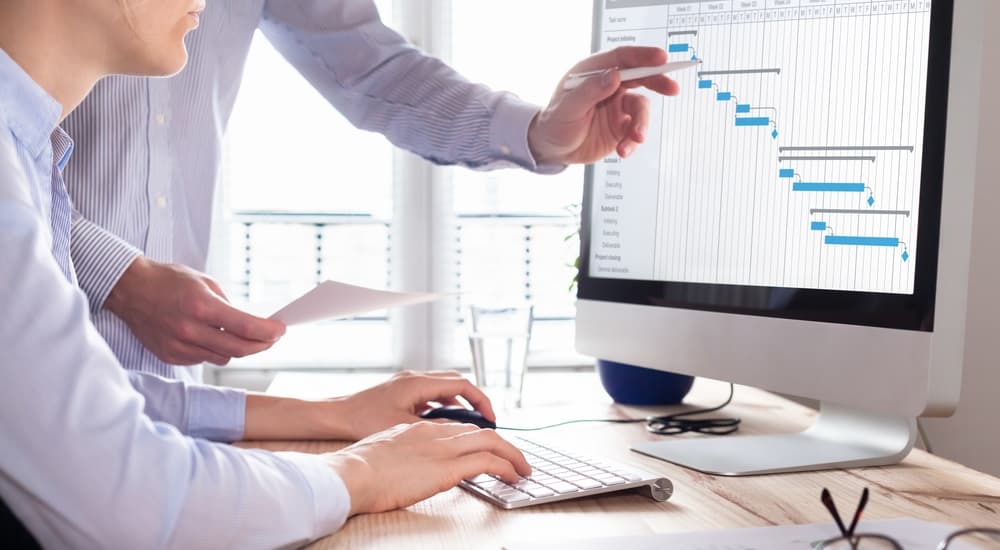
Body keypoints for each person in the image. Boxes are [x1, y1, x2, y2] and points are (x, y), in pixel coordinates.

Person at [0, 1, 538, 546]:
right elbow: (133, 499)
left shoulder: (27, 154)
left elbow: (92, 402)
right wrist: (365, 473)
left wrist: (335, 416)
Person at [63, 0, 681, 443]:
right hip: (37, 358)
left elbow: (372, 68)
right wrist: (116, 274)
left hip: (171, 397)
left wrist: (539, 132)